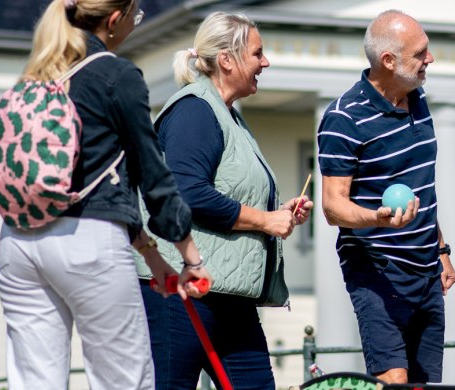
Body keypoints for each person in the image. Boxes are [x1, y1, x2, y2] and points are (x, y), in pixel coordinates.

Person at [0, 0, 210, 388]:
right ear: (115, 20)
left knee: (34, 382)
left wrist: (148, 253)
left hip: (17, 242)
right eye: (135, 15)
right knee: (122, 380)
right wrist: (189, 257)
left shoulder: (38, 74)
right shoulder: (116, 74)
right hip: (86, 242)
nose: (135, 23)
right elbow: (151, 173)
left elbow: (94, 169)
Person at [136, 12, 312, 390]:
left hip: (231, 299)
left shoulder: (228, 117)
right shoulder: (194, 110)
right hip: (182, 296)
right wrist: (264, 222)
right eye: (257, 53)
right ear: (228, 60)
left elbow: (225, 191)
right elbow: (185, 192)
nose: (265, 62)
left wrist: (274, 215)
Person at [316, 9, 455, 385]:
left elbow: (421, 187)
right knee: (392, 379)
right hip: (375, 268)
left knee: (420, 384)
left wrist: (441, 251)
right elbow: (333, 207)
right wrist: (377, 218)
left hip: (425, 267)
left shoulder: (419, 100)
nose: (431, 59)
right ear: (389, 61)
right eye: (421, 53)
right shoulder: (344, 118)